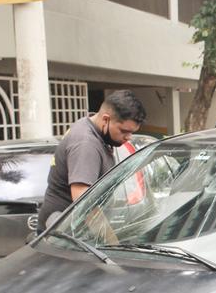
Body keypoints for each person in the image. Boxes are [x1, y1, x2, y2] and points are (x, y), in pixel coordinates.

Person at [38, 90, 147, 229]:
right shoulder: (86, 144)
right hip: (63, 234)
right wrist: (109, 240)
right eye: (124, 131)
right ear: (106, 119)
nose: (128, 137)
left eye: (132, 132)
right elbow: (83, 201)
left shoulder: (89, 125)